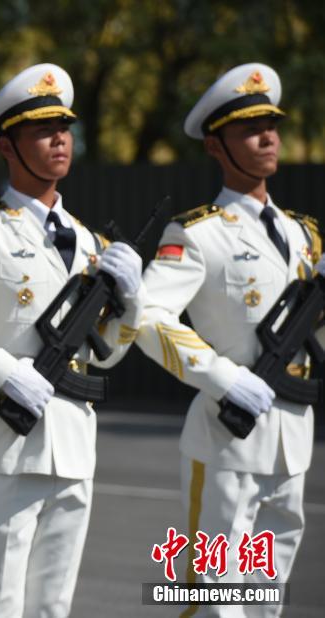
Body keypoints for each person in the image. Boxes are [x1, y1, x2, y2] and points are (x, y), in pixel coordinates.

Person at [0, 64, 146, 617]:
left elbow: (106, 350)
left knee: (53, 608)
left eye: (64, 127)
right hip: (2, 447)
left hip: (72, 447)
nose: (60, 138)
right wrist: (2, 370)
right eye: (43, 130)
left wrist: (132, 302)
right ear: (7, 145)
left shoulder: (93, 243)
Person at [136, 63, 323, 618]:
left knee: (266, 602)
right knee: (214, 600)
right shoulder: (198, 234)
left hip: (292, 441)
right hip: (227, 441)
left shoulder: (305, 235)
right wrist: (224, 377)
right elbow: (147, 317)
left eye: (272, 125)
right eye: (249, 129)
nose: (268, 138)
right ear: (215, 146)